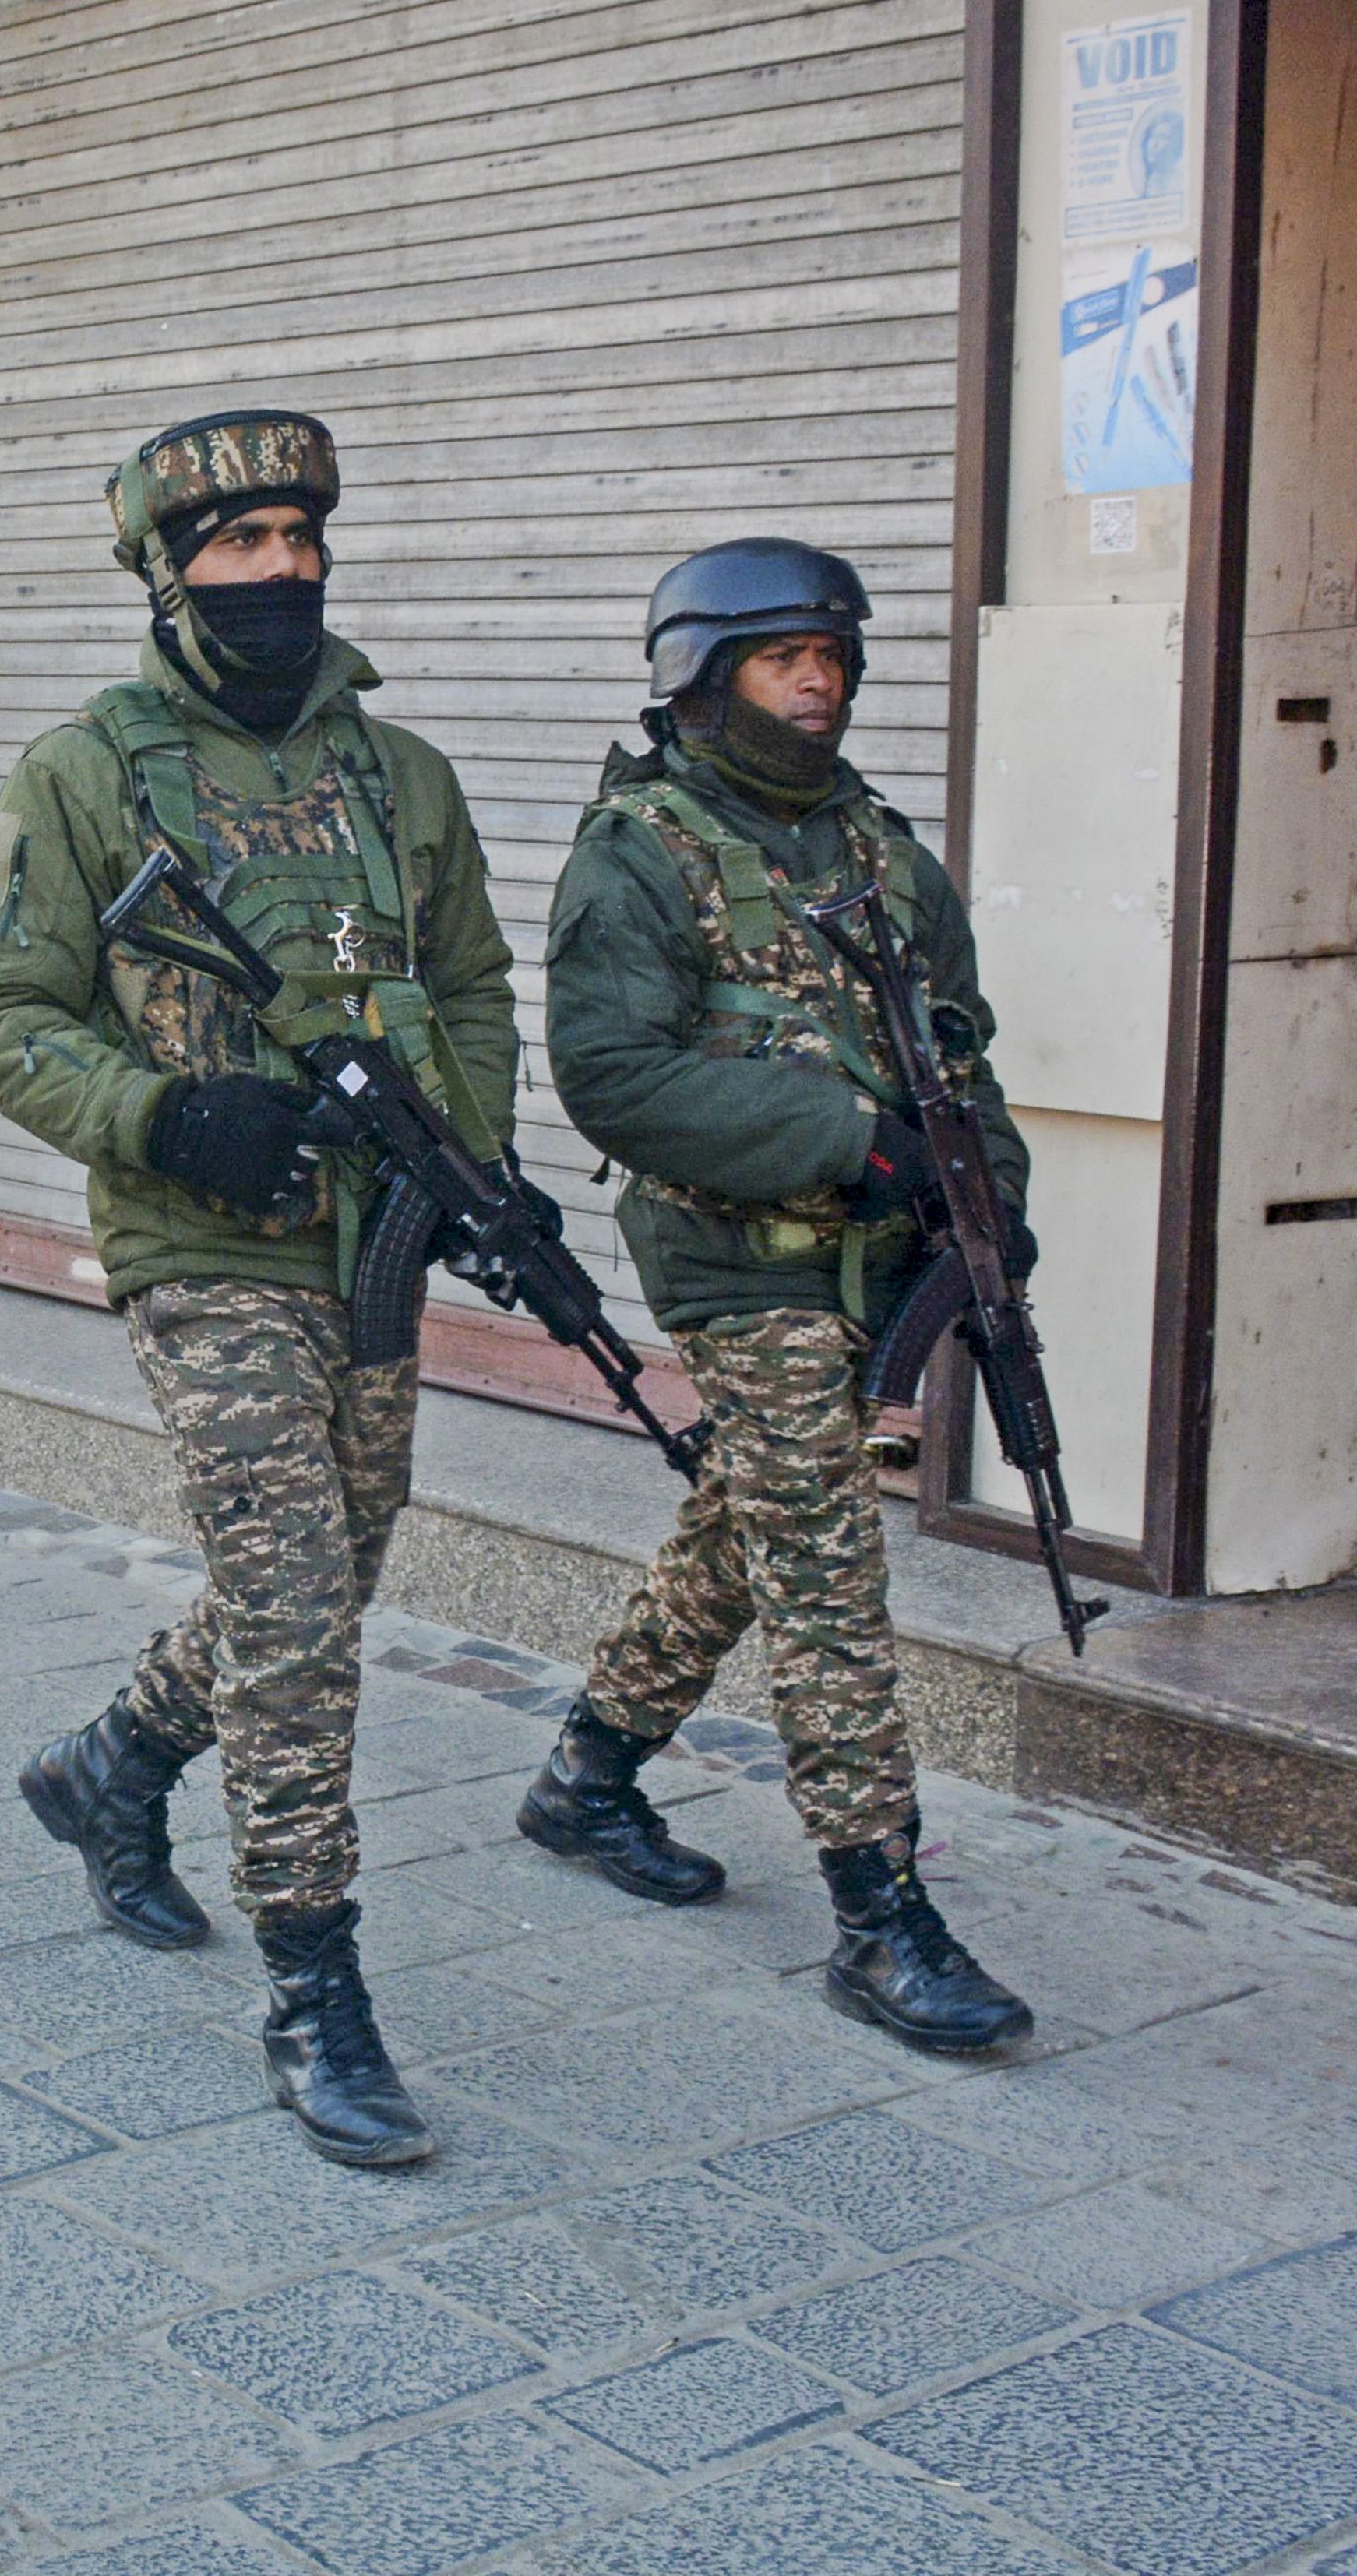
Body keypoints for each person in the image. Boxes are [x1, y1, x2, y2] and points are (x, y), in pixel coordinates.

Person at [0, 410, 520, 2166]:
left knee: (327, 1576)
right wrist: (165, 1113)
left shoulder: (398, 777)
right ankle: (316, 1983)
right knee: (290, 1603)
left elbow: (477, 986)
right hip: (205, 1247)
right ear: (165, 570)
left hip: (370, 1243)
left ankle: (112, 1765)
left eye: (299, 537)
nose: (280, 570)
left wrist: (465, 1158)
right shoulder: (87, 770)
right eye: (236, 544)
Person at [510, 537, 1038, 2056]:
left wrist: (984, 1203)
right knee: (824, 1562)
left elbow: (959, 1042)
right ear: (700, 671)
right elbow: (614, 1077)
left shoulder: (873, 840)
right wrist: (844, 1139)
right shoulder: (643, 847)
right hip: (734, 1258)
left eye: (834, 656)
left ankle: (590, 1774)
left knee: (753, 1515)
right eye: (781, 657)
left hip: (873, 1255)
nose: (819, 682)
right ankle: (882, 1919)